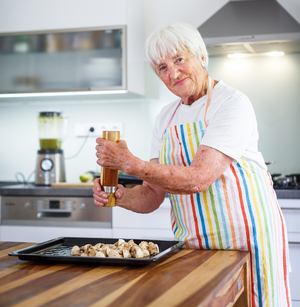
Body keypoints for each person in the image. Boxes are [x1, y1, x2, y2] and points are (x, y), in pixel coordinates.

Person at [93, 22, 291, 307]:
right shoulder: (165, 117)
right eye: (162, 67)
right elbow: (152, 194)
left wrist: (129, 163)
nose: (173, 73)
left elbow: (199, 178)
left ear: (201, 56)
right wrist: (120, 196)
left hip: (248, 243)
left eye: (179, 59)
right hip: (195, 247)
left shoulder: (231, 103)